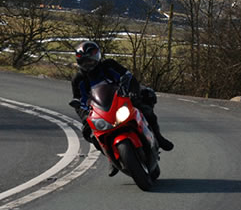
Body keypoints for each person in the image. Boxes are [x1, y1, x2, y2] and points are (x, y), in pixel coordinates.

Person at [70, 41, 173, 176]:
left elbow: (128, 76)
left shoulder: (109, 65)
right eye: (84, 62)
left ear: (97, 57)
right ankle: (111, 159)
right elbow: (78, 100)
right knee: (89, 133)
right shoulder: (78, 79)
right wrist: (84, 116)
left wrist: (133, 91)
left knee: (146, 108)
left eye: (90, 61)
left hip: (122, 99)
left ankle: (159, 138)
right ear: (79, 62)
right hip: (100, 110)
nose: (88, 64)